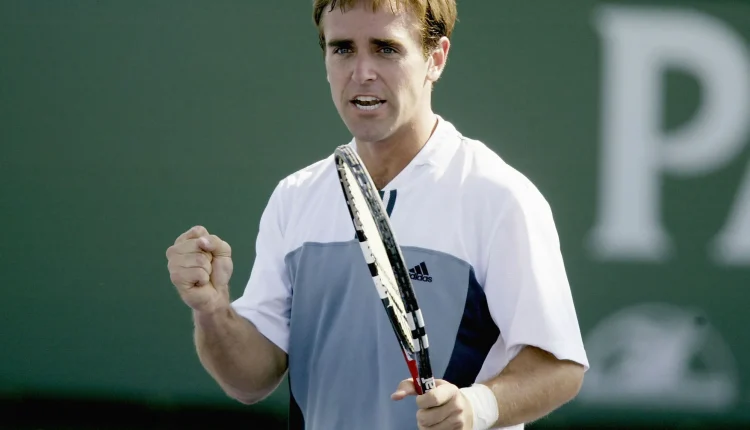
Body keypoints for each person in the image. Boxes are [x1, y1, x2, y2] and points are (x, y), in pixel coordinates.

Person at [165, 1, 589, 429]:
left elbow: (559, 366)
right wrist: (212, 310)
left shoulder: (500, 198)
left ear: (436, 59)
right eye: (343, 49)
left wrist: (476, 406)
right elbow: (249, 383)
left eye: (386, 48)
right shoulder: (294, 198)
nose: (361, 71)